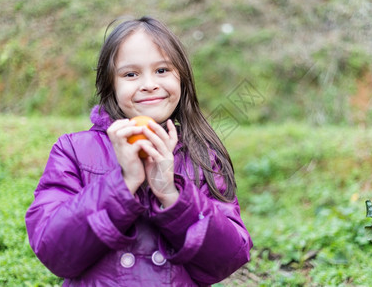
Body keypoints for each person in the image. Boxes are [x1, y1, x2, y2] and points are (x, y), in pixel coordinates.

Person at [25, 16, 252, 286]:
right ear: (111, 85)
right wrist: (122, 185)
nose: (149, 84)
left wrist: (171, 194)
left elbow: (227, 258)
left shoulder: (202, 157)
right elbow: (55, 251)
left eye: (162, 70)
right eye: (131, 74)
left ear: (182, 78)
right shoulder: (73, 150)